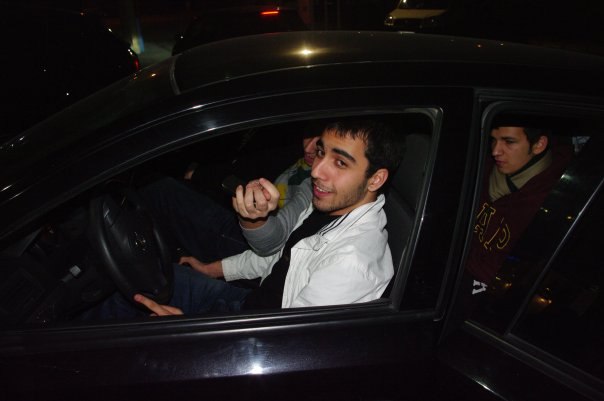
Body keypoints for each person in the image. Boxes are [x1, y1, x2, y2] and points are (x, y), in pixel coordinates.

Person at [134, 119, 405, 316]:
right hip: (250, 303)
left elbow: (289, 348)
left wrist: (186, 334)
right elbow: (278, 257)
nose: (316, 171)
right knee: (150, 277)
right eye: (322, 152)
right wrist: (212, 269)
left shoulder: (351, 264)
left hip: (256, 330)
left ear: (375, 179)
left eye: (340, 163)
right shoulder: (329, 207)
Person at [140, 133, 320, 263]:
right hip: (239, 216)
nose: (308, 148)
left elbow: (272, 243)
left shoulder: (316, 184)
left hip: (255, 248)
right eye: (309, 135)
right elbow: (247, 166)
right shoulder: (296, 157)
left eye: (319, 145)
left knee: (160, 190)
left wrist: (254, 218)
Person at [460, 123, 572, 309]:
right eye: (493, 140)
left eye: (509, 142)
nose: (495, 151)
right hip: (457, 262)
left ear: (538, 145)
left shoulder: (552, 200)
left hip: (489, 291)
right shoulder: (482, 166)